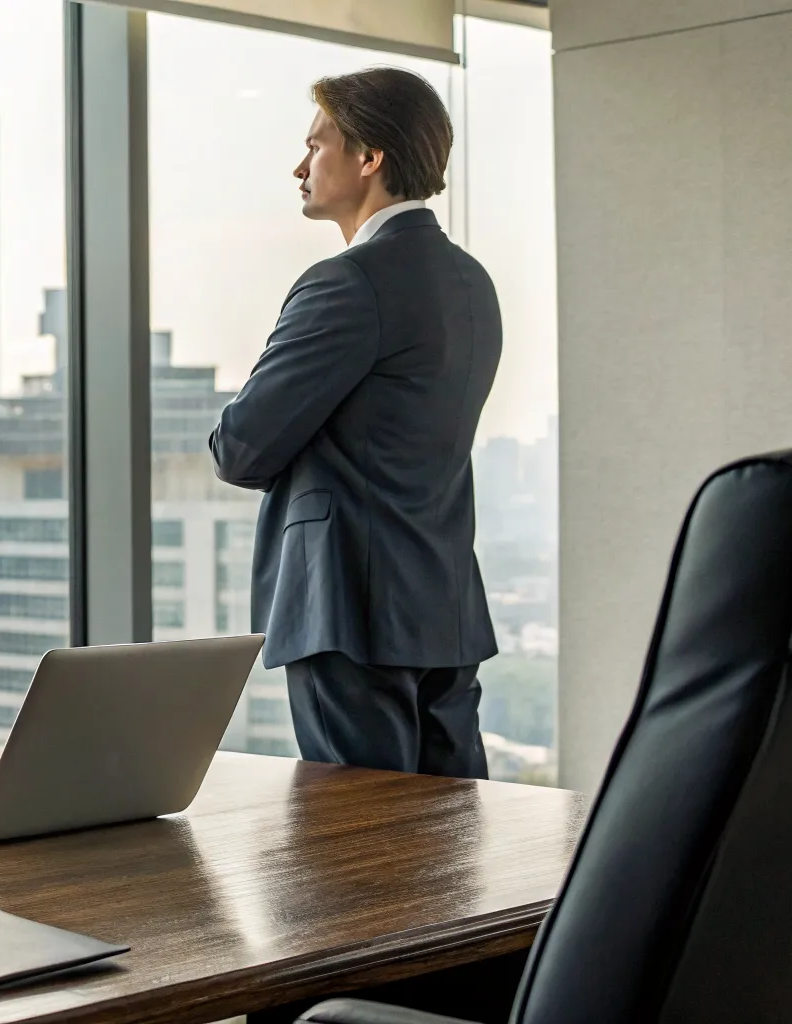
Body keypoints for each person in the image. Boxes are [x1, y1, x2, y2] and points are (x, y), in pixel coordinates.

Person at [208, 67, 500, 779]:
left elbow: (239, 449)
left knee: (362, 837)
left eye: (317, 145)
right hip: (445, 604)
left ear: (369, 156)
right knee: (453, 831)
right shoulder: (472, 283)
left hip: (349, 610)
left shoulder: (346, 282)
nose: (300, 167)